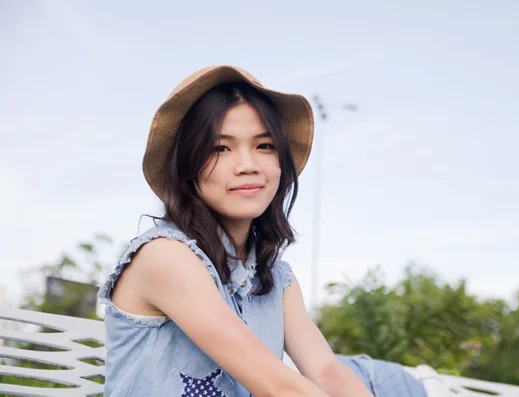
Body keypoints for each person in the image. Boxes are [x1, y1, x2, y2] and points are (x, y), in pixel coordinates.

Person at [98, 65, 427, 397]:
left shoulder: (276, 279)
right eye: (220, 148)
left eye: (265, 146)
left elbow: (325, 369)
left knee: (382, 379)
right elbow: (277, 385)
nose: (248, 165)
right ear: (187, 167)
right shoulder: (165, 256)